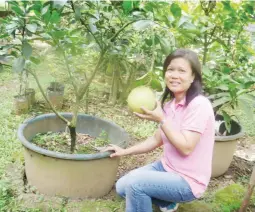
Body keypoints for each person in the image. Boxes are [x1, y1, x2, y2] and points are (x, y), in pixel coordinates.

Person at [103, 49, 215, 212]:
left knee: (135, 185)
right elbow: (156, 140)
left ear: (193, 77)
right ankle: (167, 202)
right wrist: (124, 151)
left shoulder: (199, 105)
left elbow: (186, 147)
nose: (174, 75)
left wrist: (162, 119)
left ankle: (167, 197)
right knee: (122, 187)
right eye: (170, 69)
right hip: (167, 168)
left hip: (188, 181)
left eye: (182, 71)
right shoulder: (169, 106)